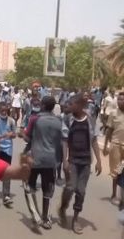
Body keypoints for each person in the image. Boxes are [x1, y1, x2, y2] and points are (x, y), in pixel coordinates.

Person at [59, 93, 102, 234]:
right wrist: (64, 160)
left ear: (79, 105)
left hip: (85, 161)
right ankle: (63, 207)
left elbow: (94, 140)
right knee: (70, 187)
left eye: (72, 104)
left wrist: (99, 161)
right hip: (72, 160)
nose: (69, 106)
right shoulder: (68, 119)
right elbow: (64, 140)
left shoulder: (90, 119)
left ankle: (75, 218)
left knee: (81, 191)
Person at [24, 96, 62, 229]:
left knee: (29, 187)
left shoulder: (35, 119)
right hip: (51, 160)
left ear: (44, 106)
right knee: (47, 190)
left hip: (35, 159)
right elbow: (60, 141)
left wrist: (20, 133)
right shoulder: (58, 121)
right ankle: (46, 219)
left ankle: (35, 215)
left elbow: (27, 137)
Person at [104, 92, 124, 206]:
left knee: (122, 170)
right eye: (119, 99)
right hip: (115, 146)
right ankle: (114, 194)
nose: (121, 101)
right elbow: (109, 131)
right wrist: (106, 145)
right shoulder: (113, 113)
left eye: (123, 99)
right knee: (116, 171)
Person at [0, 101, 16, 206]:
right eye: (1, 110)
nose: (4, 112)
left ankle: (6, 194)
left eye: (5, 110)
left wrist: (11, 134)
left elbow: (14, 134)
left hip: (8, 149)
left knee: (7, 171)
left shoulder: (11, 121)